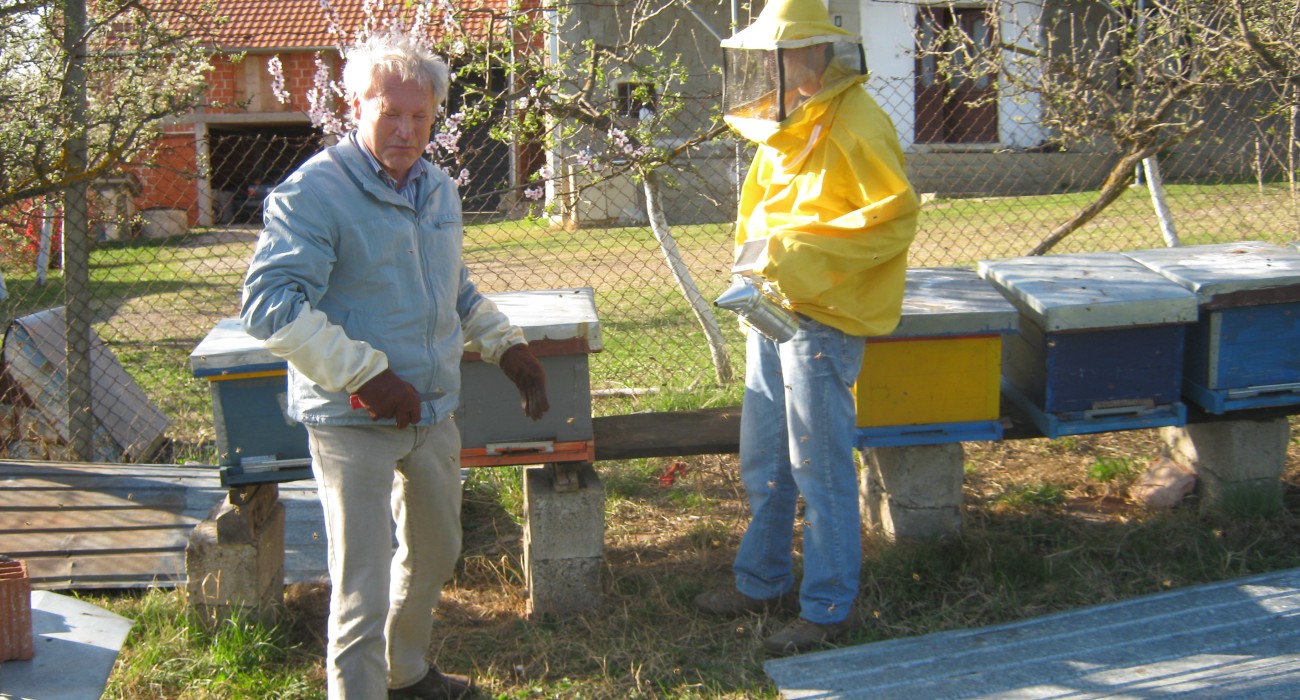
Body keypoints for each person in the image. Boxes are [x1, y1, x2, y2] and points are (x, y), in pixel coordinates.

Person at [241, 27, 549, 700]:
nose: (407, 130)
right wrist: (366, 376)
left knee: (438, 551)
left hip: (432, 409)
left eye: (420, 116)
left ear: (434, 116)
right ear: (357, 107)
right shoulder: (315, 193)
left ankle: (404, 671)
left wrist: (508, 347)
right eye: (391, 113)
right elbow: (268, 305)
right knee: (363, 583)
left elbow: (454, 290)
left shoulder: (436, 189)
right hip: (352, 418)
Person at [694, 0, 919, 656]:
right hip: (771, 310)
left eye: (783, 54)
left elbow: (894, 220)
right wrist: (756, 272)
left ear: (814, 51)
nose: (773, 67)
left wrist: (798, 258)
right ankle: (761, 580)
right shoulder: (787, 123)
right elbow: (758, 216)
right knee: (765, 458)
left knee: (817, 466)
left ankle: (828, 609)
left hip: (824, 319)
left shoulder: (856, 122)